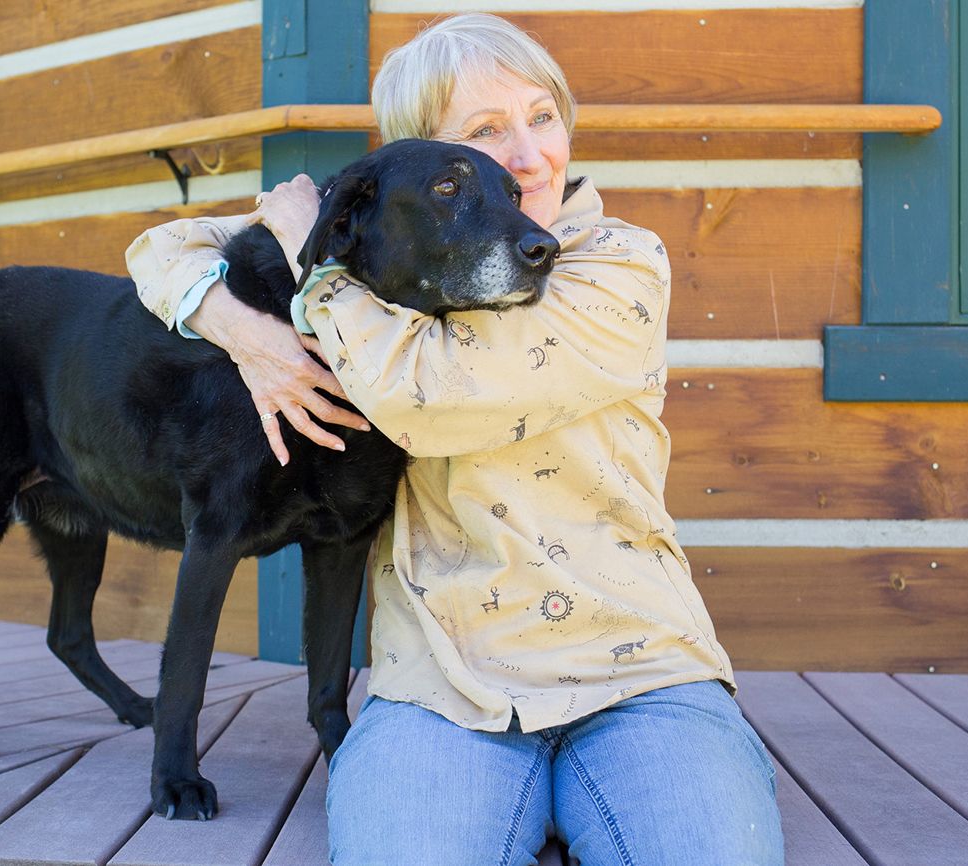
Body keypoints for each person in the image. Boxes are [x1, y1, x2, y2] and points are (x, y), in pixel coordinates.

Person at [125, 13, 783, 866]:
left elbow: (430, 398)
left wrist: (310, 270)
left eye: (542, 116)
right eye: (483, 133)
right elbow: (162, 248)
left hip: (637, 676)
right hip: (440, 685)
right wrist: (246, 334)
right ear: (421, 162)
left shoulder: (616, 265)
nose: (525, 155)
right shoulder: (385, 258)